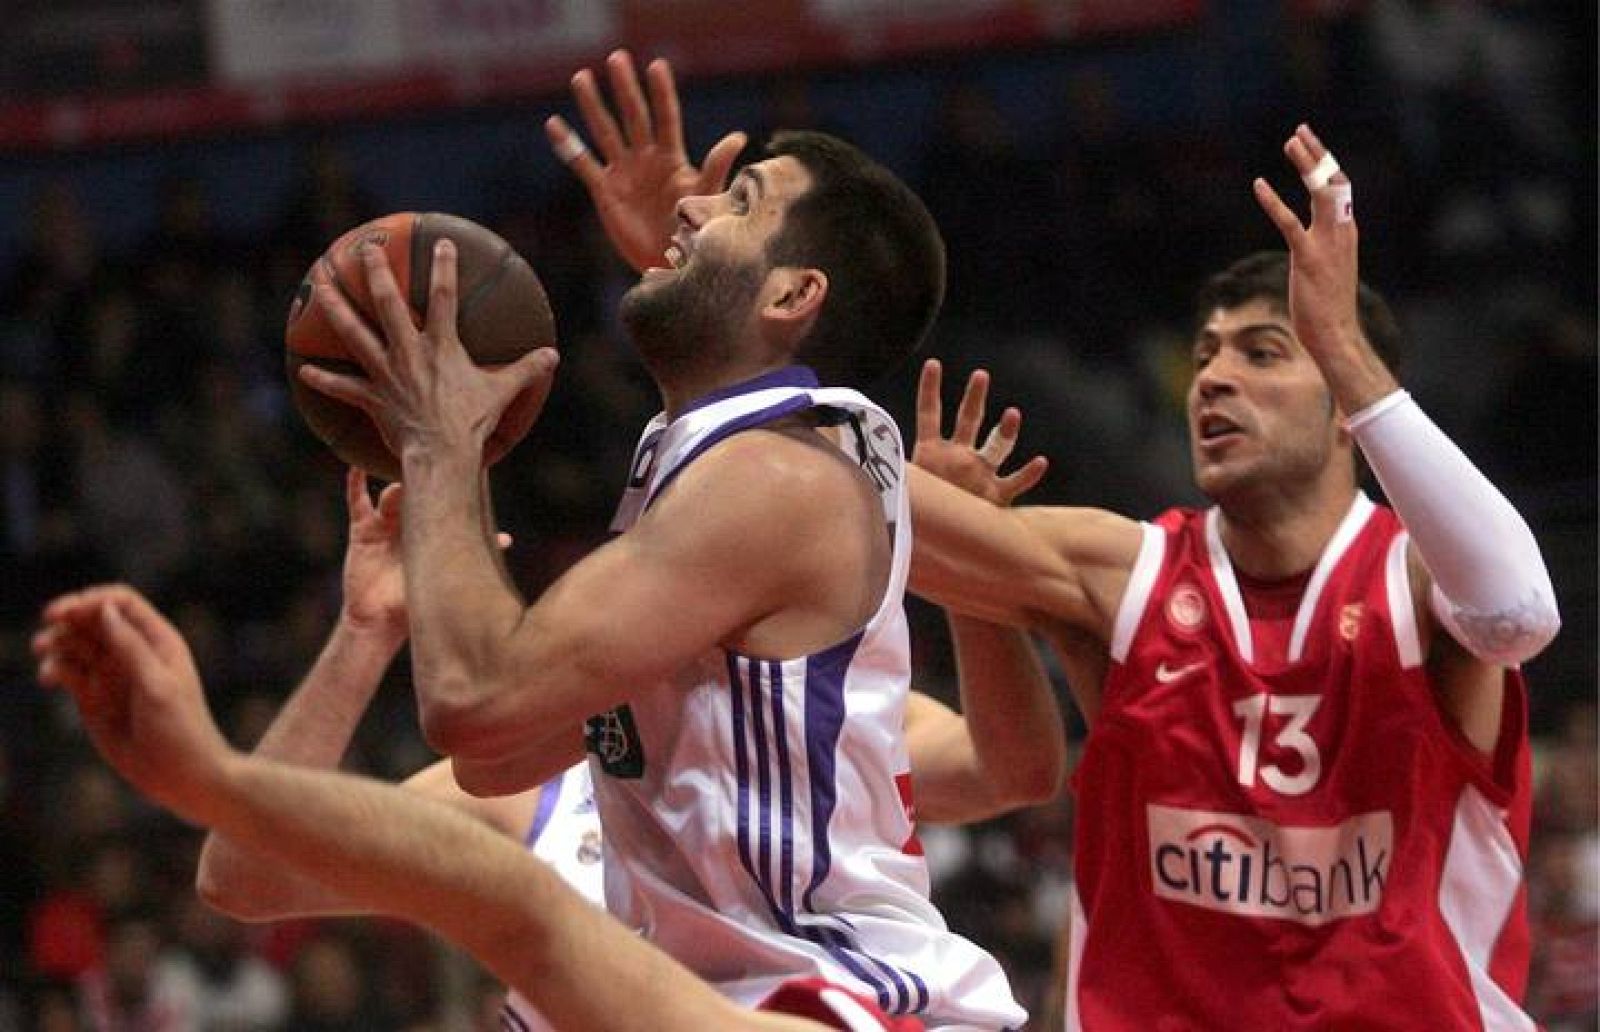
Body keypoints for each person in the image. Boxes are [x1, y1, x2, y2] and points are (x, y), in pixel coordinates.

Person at [295, 49, 1036, 1029]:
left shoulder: (777, 477)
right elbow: (501, 756)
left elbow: (477, 704)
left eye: (738, 205)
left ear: (790, 297)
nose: (691, 205)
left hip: (833, 1003)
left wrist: (440, 440)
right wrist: (691, 264)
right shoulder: (709, 474)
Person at [908, 125, 1560, 1028]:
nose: (1212, 377)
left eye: (1261, 353)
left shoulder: (1417, 582)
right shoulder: (1123, 572)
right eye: (1207, 353)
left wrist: (1342, 343)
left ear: (1346, 403)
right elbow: (881, 518)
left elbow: (1519, 612)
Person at [32, 584, 928, 1032]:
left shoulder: (811, 779)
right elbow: (243, 878)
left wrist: (979, 580)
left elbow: (1016, 765)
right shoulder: (537, 800)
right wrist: (363, 635)